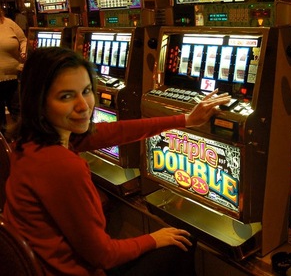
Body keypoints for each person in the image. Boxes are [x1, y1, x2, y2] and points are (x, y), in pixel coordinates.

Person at [3, 47, 231, 276]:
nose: (84, 106)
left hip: (47, 264)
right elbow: (104, 255)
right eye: (66, 96)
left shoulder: (29, 141)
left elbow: (114, 131)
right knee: (183, 242)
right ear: (39, 101)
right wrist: (153, 238)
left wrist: (185, 120)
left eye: (86, 91)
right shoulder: (62, 166)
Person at [0, 7, 26, 135]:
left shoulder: (9, 23)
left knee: (19, 114)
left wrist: (23, 50)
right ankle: (4, 151)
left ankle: (23, 147)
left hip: (13, 77)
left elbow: (23, 39)